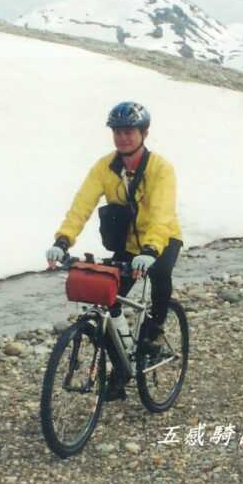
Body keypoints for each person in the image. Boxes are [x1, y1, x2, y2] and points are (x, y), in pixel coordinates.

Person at [46, 101, 183, 401]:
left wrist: (150, 249)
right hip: (126, 245)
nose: (123, 138)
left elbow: (161, 213)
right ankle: (122, 368)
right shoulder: (105, 167)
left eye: (129, 131)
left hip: (161, 239)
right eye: (118, 132)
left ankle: (155, 331)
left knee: (160, 273)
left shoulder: (161, 169)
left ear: (144, 133)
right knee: (109, 300)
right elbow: (82, 204)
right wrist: (63, 240)